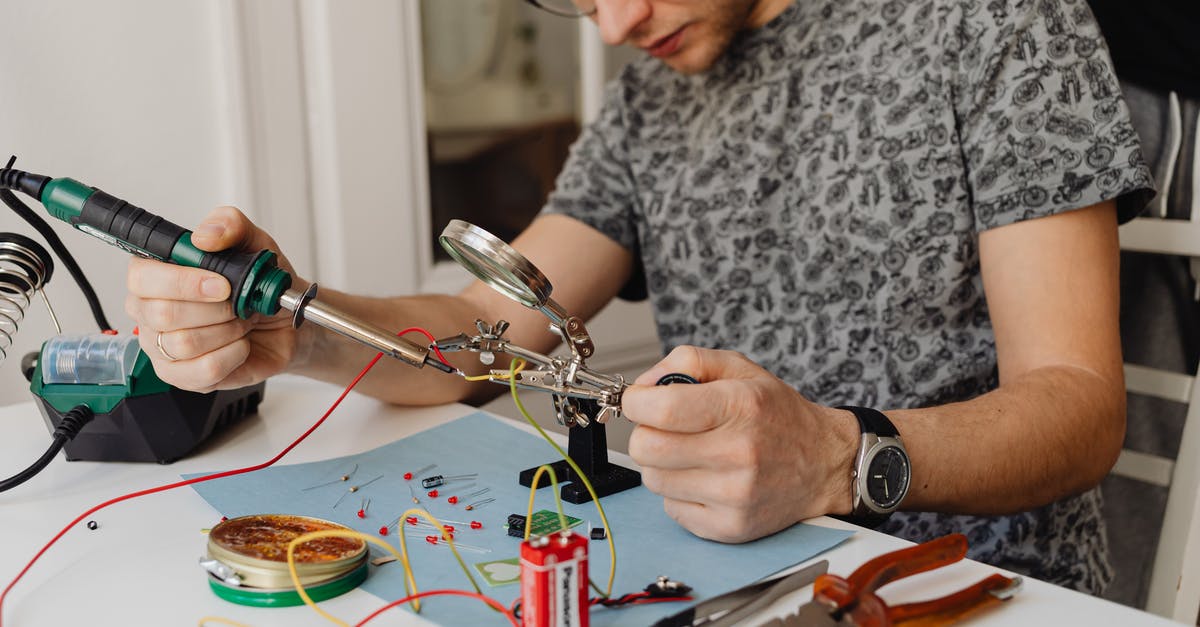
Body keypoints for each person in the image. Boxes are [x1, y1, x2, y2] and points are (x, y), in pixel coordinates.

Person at [126, 0, 1153, 594]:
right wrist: (293, 322)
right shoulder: (652, 99)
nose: (613, 23)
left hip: (961, 589)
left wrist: (838, 457)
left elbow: (1077, 405)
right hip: (731, 580)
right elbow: (486, 337)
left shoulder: (995, 21)